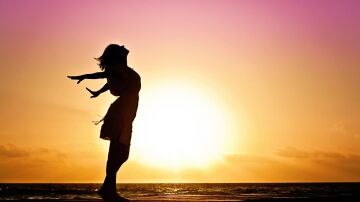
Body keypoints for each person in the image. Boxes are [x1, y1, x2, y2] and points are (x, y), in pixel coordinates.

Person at [68, 44, 141, 202]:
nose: (123, 46)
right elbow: (102, 76)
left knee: (120, 152)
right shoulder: (117, 68)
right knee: (119, 151)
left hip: (125, 112)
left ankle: (107, 188)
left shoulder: (123, 70)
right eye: (120, 47)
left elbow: (110, 82)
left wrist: (98, 92)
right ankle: (108, 190)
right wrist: (85, 76)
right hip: (120, 113)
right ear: (117, 55)